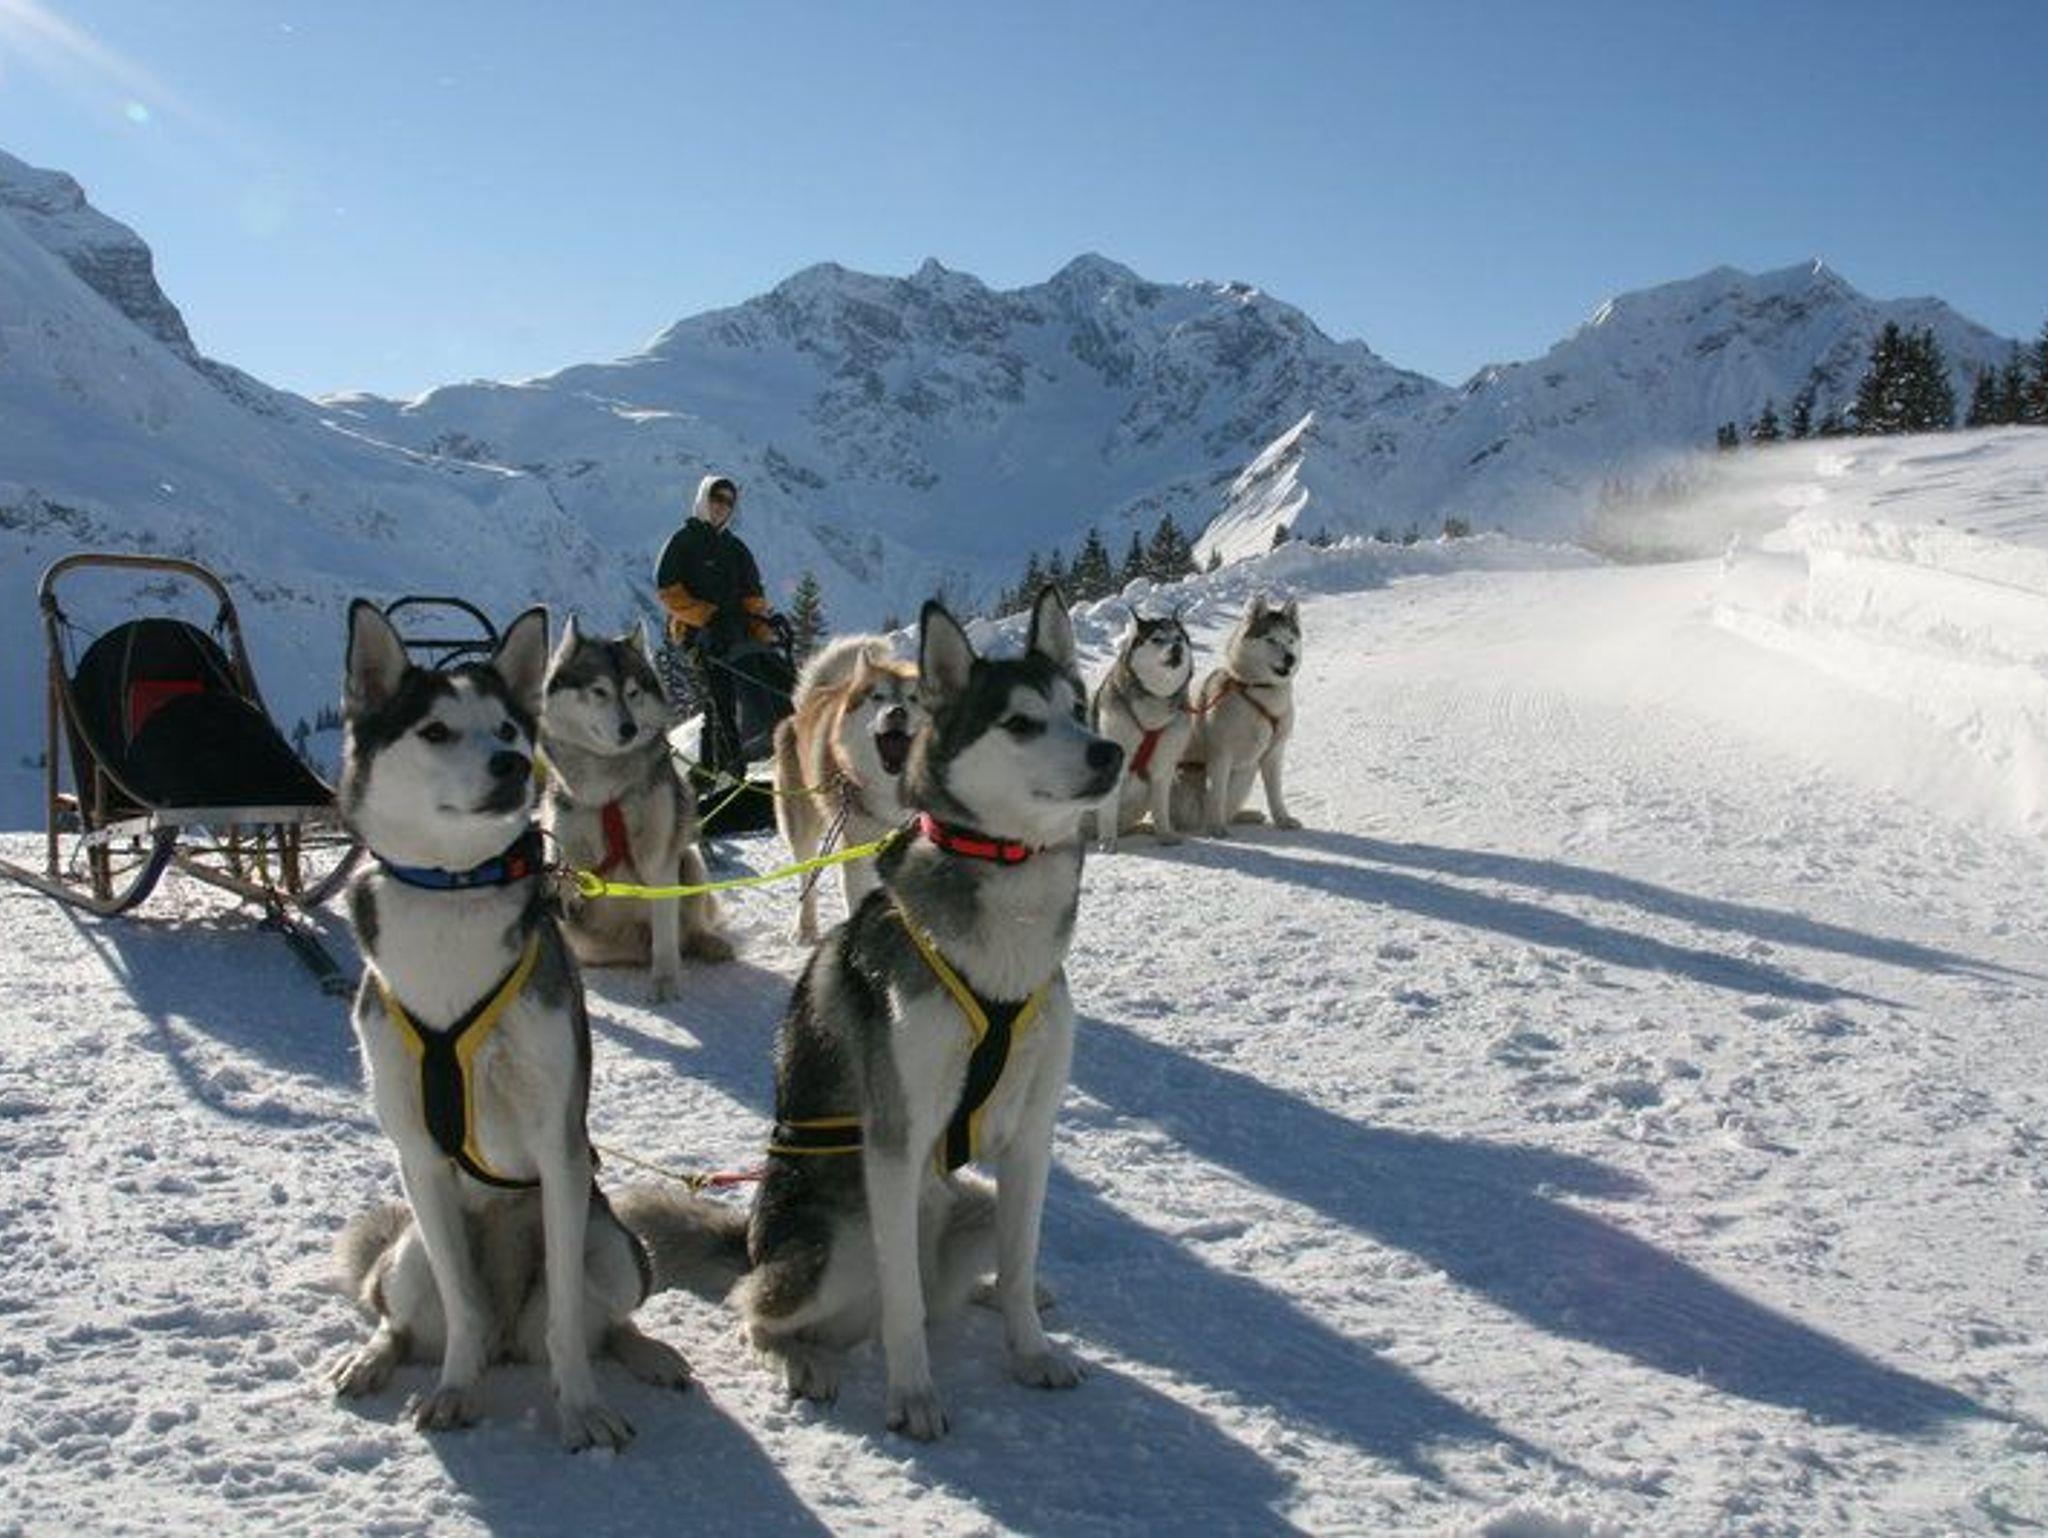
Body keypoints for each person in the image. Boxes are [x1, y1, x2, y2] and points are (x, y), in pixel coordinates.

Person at [654, 474, 788, 780]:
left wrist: (764, 632)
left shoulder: (734, 547)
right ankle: (726, 769)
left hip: (738, 631)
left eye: (728, 502)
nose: (721, 507)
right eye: (716, 499)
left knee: (775, 678)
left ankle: (769, 754)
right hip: (699, 633)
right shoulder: (684, 542)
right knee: (721, 696)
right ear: (704, 499)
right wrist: (706, 616)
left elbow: (753, 596)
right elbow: (669, 591)